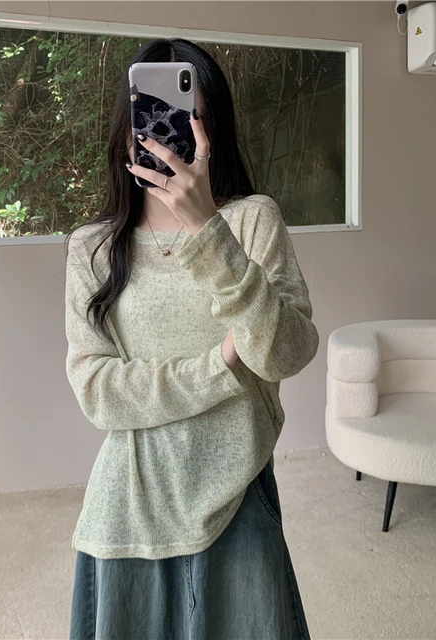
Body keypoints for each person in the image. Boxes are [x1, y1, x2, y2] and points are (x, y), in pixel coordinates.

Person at [64, 37, 319, 640]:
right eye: (154, 115)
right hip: (128, 506)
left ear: (214, 128)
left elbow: (285, 352)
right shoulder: (92, 247)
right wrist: (222, 365)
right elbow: (98, 392)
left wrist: (208, 229)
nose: (173, 133)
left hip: (237, 493)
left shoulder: (251, 220)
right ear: (128, 127)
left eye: (190, 117)